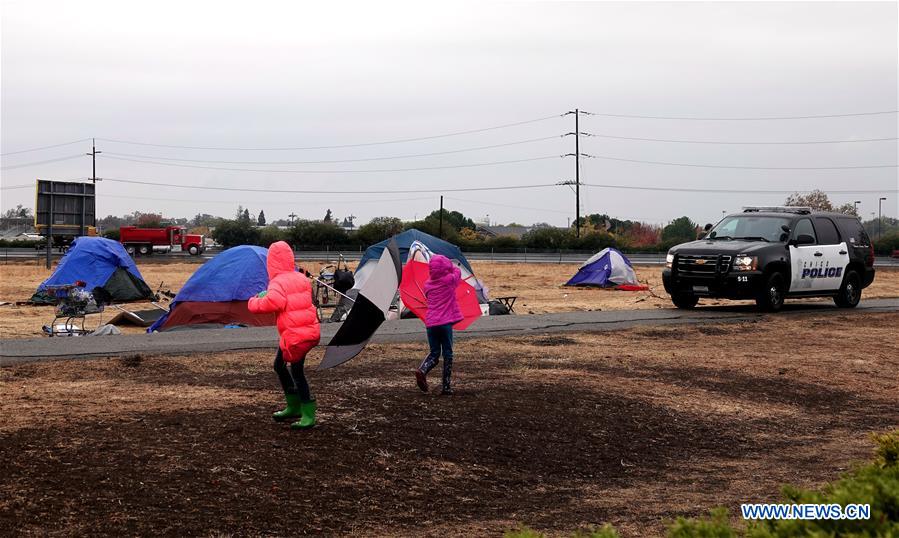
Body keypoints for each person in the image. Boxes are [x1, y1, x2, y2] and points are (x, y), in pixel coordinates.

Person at [248, 241, 321, 429]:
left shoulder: (277, 282)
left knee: (297, 372)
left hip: (296, 335)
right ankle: (294, 406)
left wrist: (255, 301)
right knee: (279, 365)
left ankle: (307, 413)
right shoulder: (301, 278)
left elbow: (273, 303)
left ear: (271, 263)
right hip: (306, 331)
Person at [414, 254, 463, 395]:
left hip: (431, 323)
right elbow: (457, 272)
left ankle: (422, 370)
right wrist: (451, 266)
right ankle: (446, 386)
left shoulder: (427, 284)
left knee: (435, 353)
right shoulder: (449, 280)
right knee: (448, 354)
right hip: (445, 323)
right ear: (445, 268)